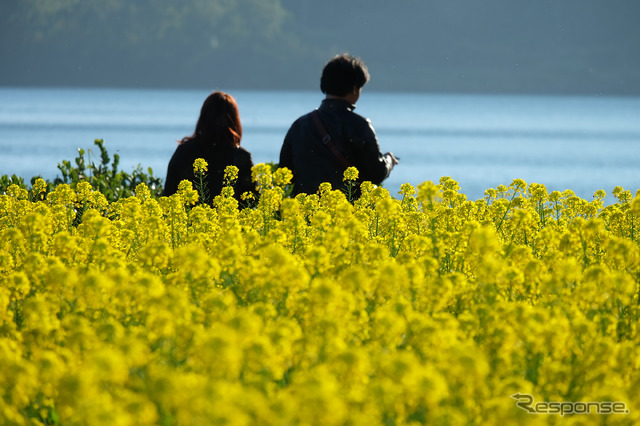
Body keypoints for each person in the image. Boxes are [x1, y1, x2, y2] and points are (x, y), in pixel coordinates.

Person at [279, 53, 398, 196]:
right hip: (347, 212)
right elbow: (375, 174)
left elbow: (286, 173)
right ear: (355, 88)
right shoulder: (359, 126)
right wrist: (389, 161)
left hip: (304, 213)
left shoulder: (300, 125)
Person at [164, 91, 255, 202]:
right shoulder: (241, 156)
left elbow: (169, 194)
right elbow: (253, 201)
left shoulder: (183, 151)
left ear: (203, 118)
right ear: (234, 120)